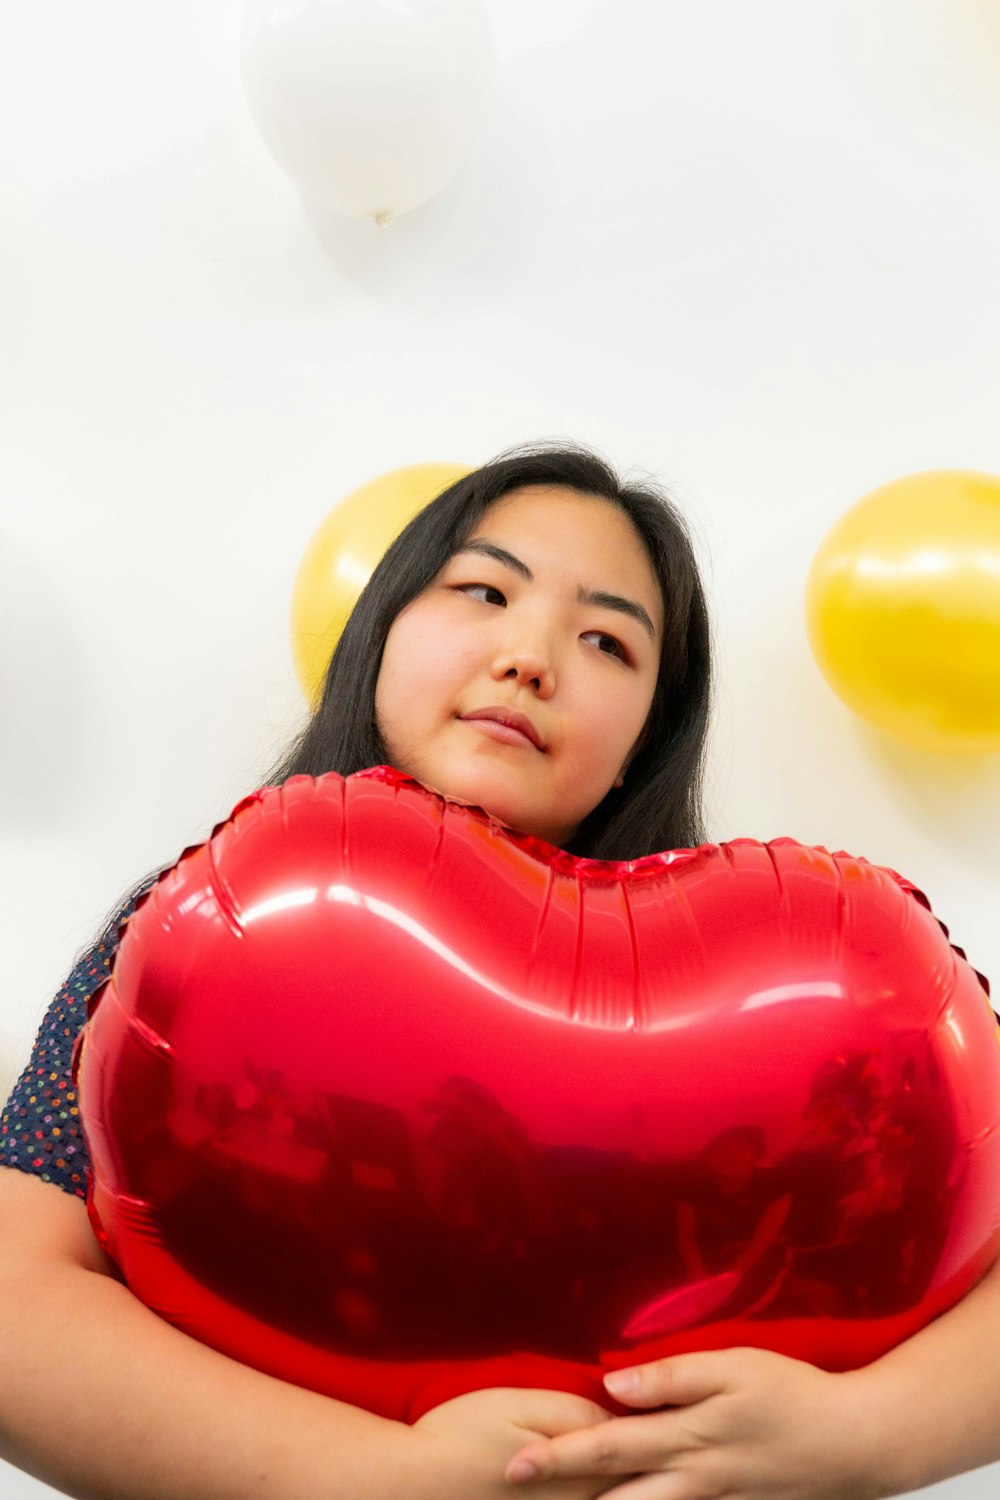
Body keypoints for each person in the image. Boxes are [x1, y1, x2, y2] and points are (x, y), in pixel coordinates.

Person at [0, 441, 996, 1500]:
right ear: (380, 628)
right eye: (484, 590)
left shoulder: (800, 994)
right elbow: (16, 1308)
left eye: (608, 640)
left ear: (644, 739)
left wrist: (868, 1433)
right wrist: (389, 1479)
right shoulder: (205, 928)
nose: (531, 656)